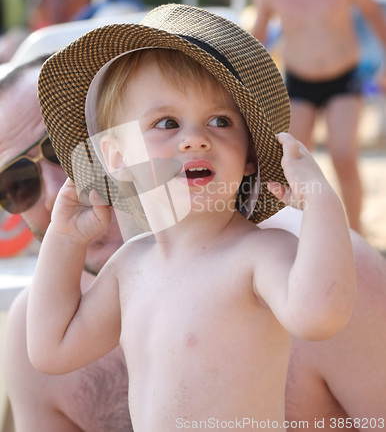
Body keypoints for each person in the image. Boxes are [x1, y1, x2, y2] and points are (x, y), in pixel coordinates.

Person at [1, 50, 385, 431]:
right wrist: (64, 240)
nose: (195, 139)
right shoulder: (130, 267)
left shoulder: (262, 254)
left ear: (249, 154)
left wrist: (320, 201)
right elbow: (52, 350)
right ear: (116, 156)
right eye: (167, 122)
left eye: (220, 121)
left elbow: (319, 316)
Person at [0, 58, 133, 431]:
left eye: (64, 148)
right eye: (17, 184)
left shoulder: (285, 270)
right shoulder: (32, 330)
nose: (57, 193)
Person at [251, 0, 386, 234]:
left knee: (343, 154)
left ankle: (355, 231)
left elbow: (375, 15)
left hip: (344, 78)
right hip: (299, 81)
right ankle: (301, 229)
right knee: (293, 160)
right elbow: (257, 37)